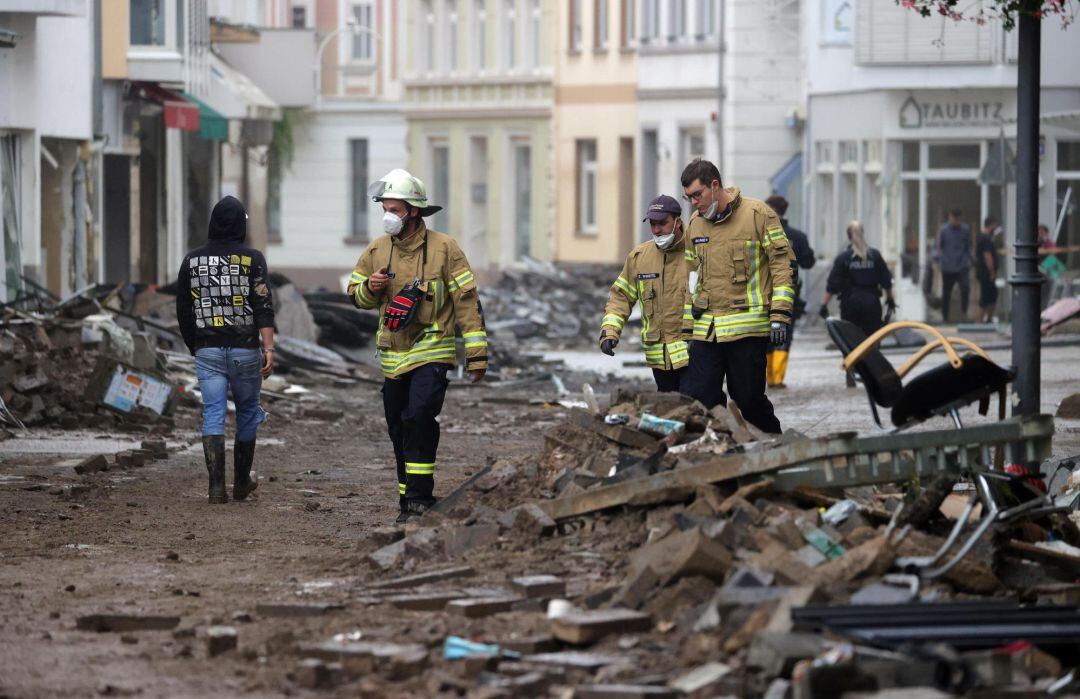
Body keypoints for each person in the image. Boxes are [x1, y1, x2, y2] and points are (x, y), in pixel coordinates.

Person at [347, 169, 488, 523]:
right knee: (397, 425)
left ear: (413, 211)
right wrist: (371, 289)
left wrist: (476, 354)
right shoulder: (377, 249)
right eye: (385, 208)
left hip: (433, 347)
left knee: (418, 417)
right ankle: (406, 499)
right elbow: (356, 294)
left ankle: (420, 499)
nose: (388, 216)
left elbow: (467, 302)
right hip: (393, 354)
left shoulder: (445, 248)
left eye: (394, 209)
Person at [678, 159, 794, 435]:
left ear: (714, 185)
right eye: (688, 197)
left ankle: (774, 445)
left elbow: (782, 266)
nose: (694, 203)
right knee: (699, 396)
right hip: (708, 330)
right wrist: (687, 325)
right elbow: (691, 274)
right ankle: (725, 445)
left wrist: (779, 315)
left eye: (698, 195)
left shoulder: (758, 215)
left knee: (748, 400)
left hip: (747, 330)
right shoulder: (696, 224)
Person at [176, 196, 275, 504]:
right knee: (247, 413)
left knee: (213, 412)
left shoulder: (191, 261)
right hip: (245, 351)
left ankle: (216, 488)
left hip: (207, 352)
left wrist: (196, 345)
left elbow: (184, 310)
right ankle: (241, 484)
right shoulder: (253, 259)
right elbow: (263, 305)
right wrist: (268, 348)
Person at [600, 195, 694, 392]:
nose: (657, 230)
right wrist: (610, 331)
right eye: (653, 224)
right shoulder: (639, 257)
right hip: (659, 358)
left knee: (700, 407)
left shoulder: (697, 252)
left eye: (662, 223)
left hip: (694, 355)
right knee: (670, 410)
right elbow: (620, 297)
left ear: (678, 222)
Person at [763, 193, 815, 388]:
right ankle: (777, 378)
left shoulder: (762, 232)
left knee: (766, 334)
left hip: (764, 291)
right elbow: (809, 262)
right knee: (785, 333)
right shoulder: (797, 236)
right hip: (789, 293)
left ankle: (769, 377)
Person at [819, 219, 895, 334]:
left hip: (850, 305)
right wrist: (890, 300)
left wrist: (824, 305)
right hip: (872, 304)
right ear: (863, 233)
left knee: (851, 342)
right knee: (871, 342)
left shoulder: (843, 258)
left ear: (848, 236)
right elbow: (886, 281)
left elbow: (832, 285)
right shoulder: (875, 256)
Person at [936, 208, 972, 323]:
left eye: (957, 219)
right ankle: (945, 317)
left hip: (962, 265)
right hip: (947, 266)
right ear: (950, 217)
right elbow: (937, 247)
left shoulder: (965, 230)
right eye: (953, 218)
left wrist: (971, 259)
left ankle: (964, 313)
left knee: (965, 288)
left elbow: (968, 246)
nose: (955, 221)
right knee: (946, 292)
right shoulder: (943, 230)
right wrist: (938, 259)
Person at [975, 216, 1000, 323]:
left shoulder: (981, 237)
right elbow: (987, 256)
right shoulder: (985, 239)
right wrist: (992, 271)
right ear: (991, 225)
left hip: (982, 271)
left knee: (991, 295)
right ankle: (981, 320)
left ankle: (987, 319)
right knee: (987, 296)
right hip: (986, 272)